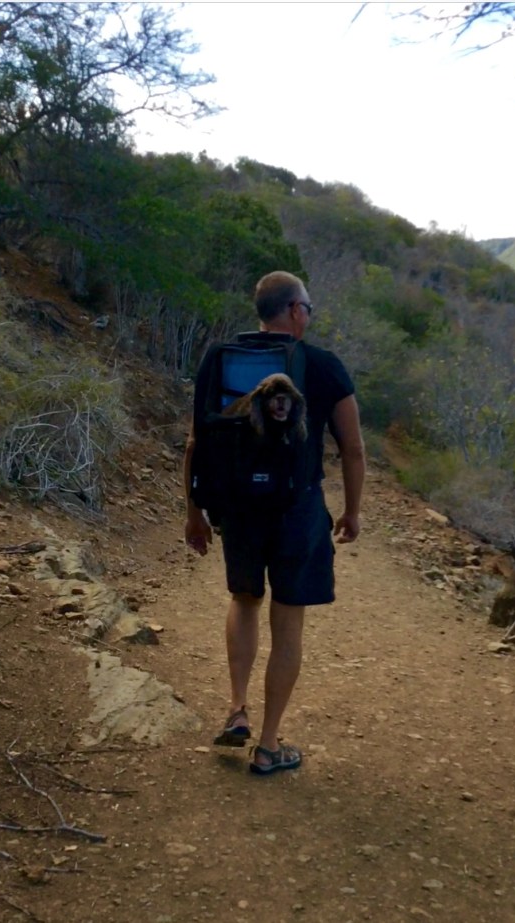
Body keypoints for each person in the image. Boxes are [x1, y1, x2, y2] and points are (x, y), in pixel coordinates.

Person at [184, 271, 365, 776]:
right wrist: (352, 511)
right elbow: (353, 448)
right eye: (307, 306)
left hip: (238, 508)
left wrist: (193, 511)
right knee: (287, 620)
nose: (309, 315)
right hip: (296, 510)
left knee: (244, 601)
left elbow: (197, 442)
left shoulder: (220, 359)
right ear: (294, 311)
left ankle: (237, 707)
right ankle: (267, 746)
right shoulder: (323, 366)